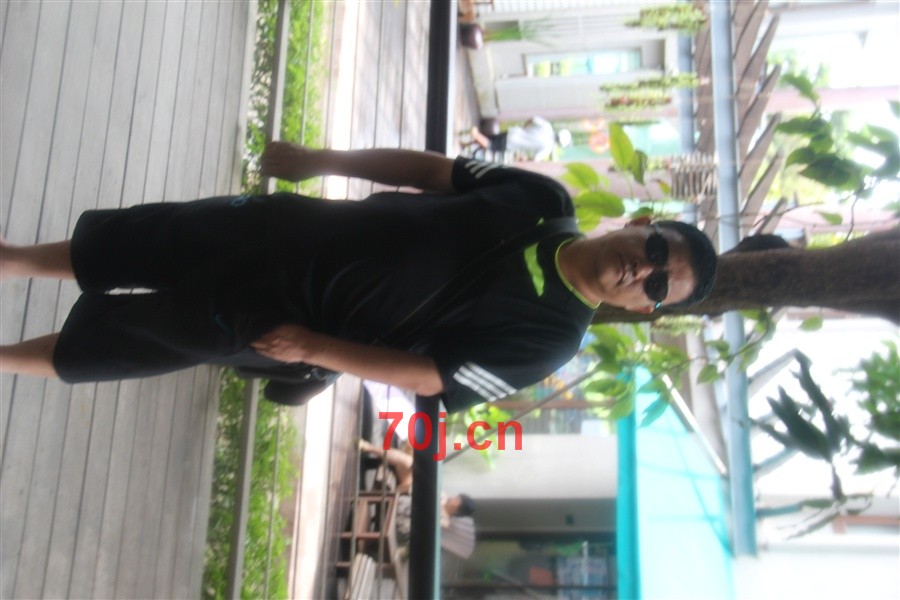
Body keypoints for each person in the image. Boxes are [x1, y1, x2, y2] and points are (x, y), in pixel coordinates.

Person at [0, 142, 717, 412]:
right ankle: (14, 260)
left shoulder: (551, 340)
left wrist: (315, 349)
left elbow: (433, 377)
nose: (644, 270)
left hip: (288, 317)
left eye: (659, 286)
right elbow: (433, 172)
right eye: (657, 248)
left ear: (646, 309)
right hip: (286, 227)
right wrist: (323, 160)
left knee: (134, 340)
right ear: (641, 220)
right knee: (142, 238)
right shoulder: (544, 198)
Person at [470, 116, 571, 161]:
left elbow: (533, 119)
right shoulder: (547, 148)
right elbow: (534, 159)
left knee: (490, 138)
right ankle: (475, 133)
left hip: (514, 132)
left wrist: (524, 127)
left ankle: (467, 142)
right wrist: (524, 158)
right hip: (512, 144)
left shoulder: (547, 126)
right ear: (559, 144)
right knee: (490, 146)